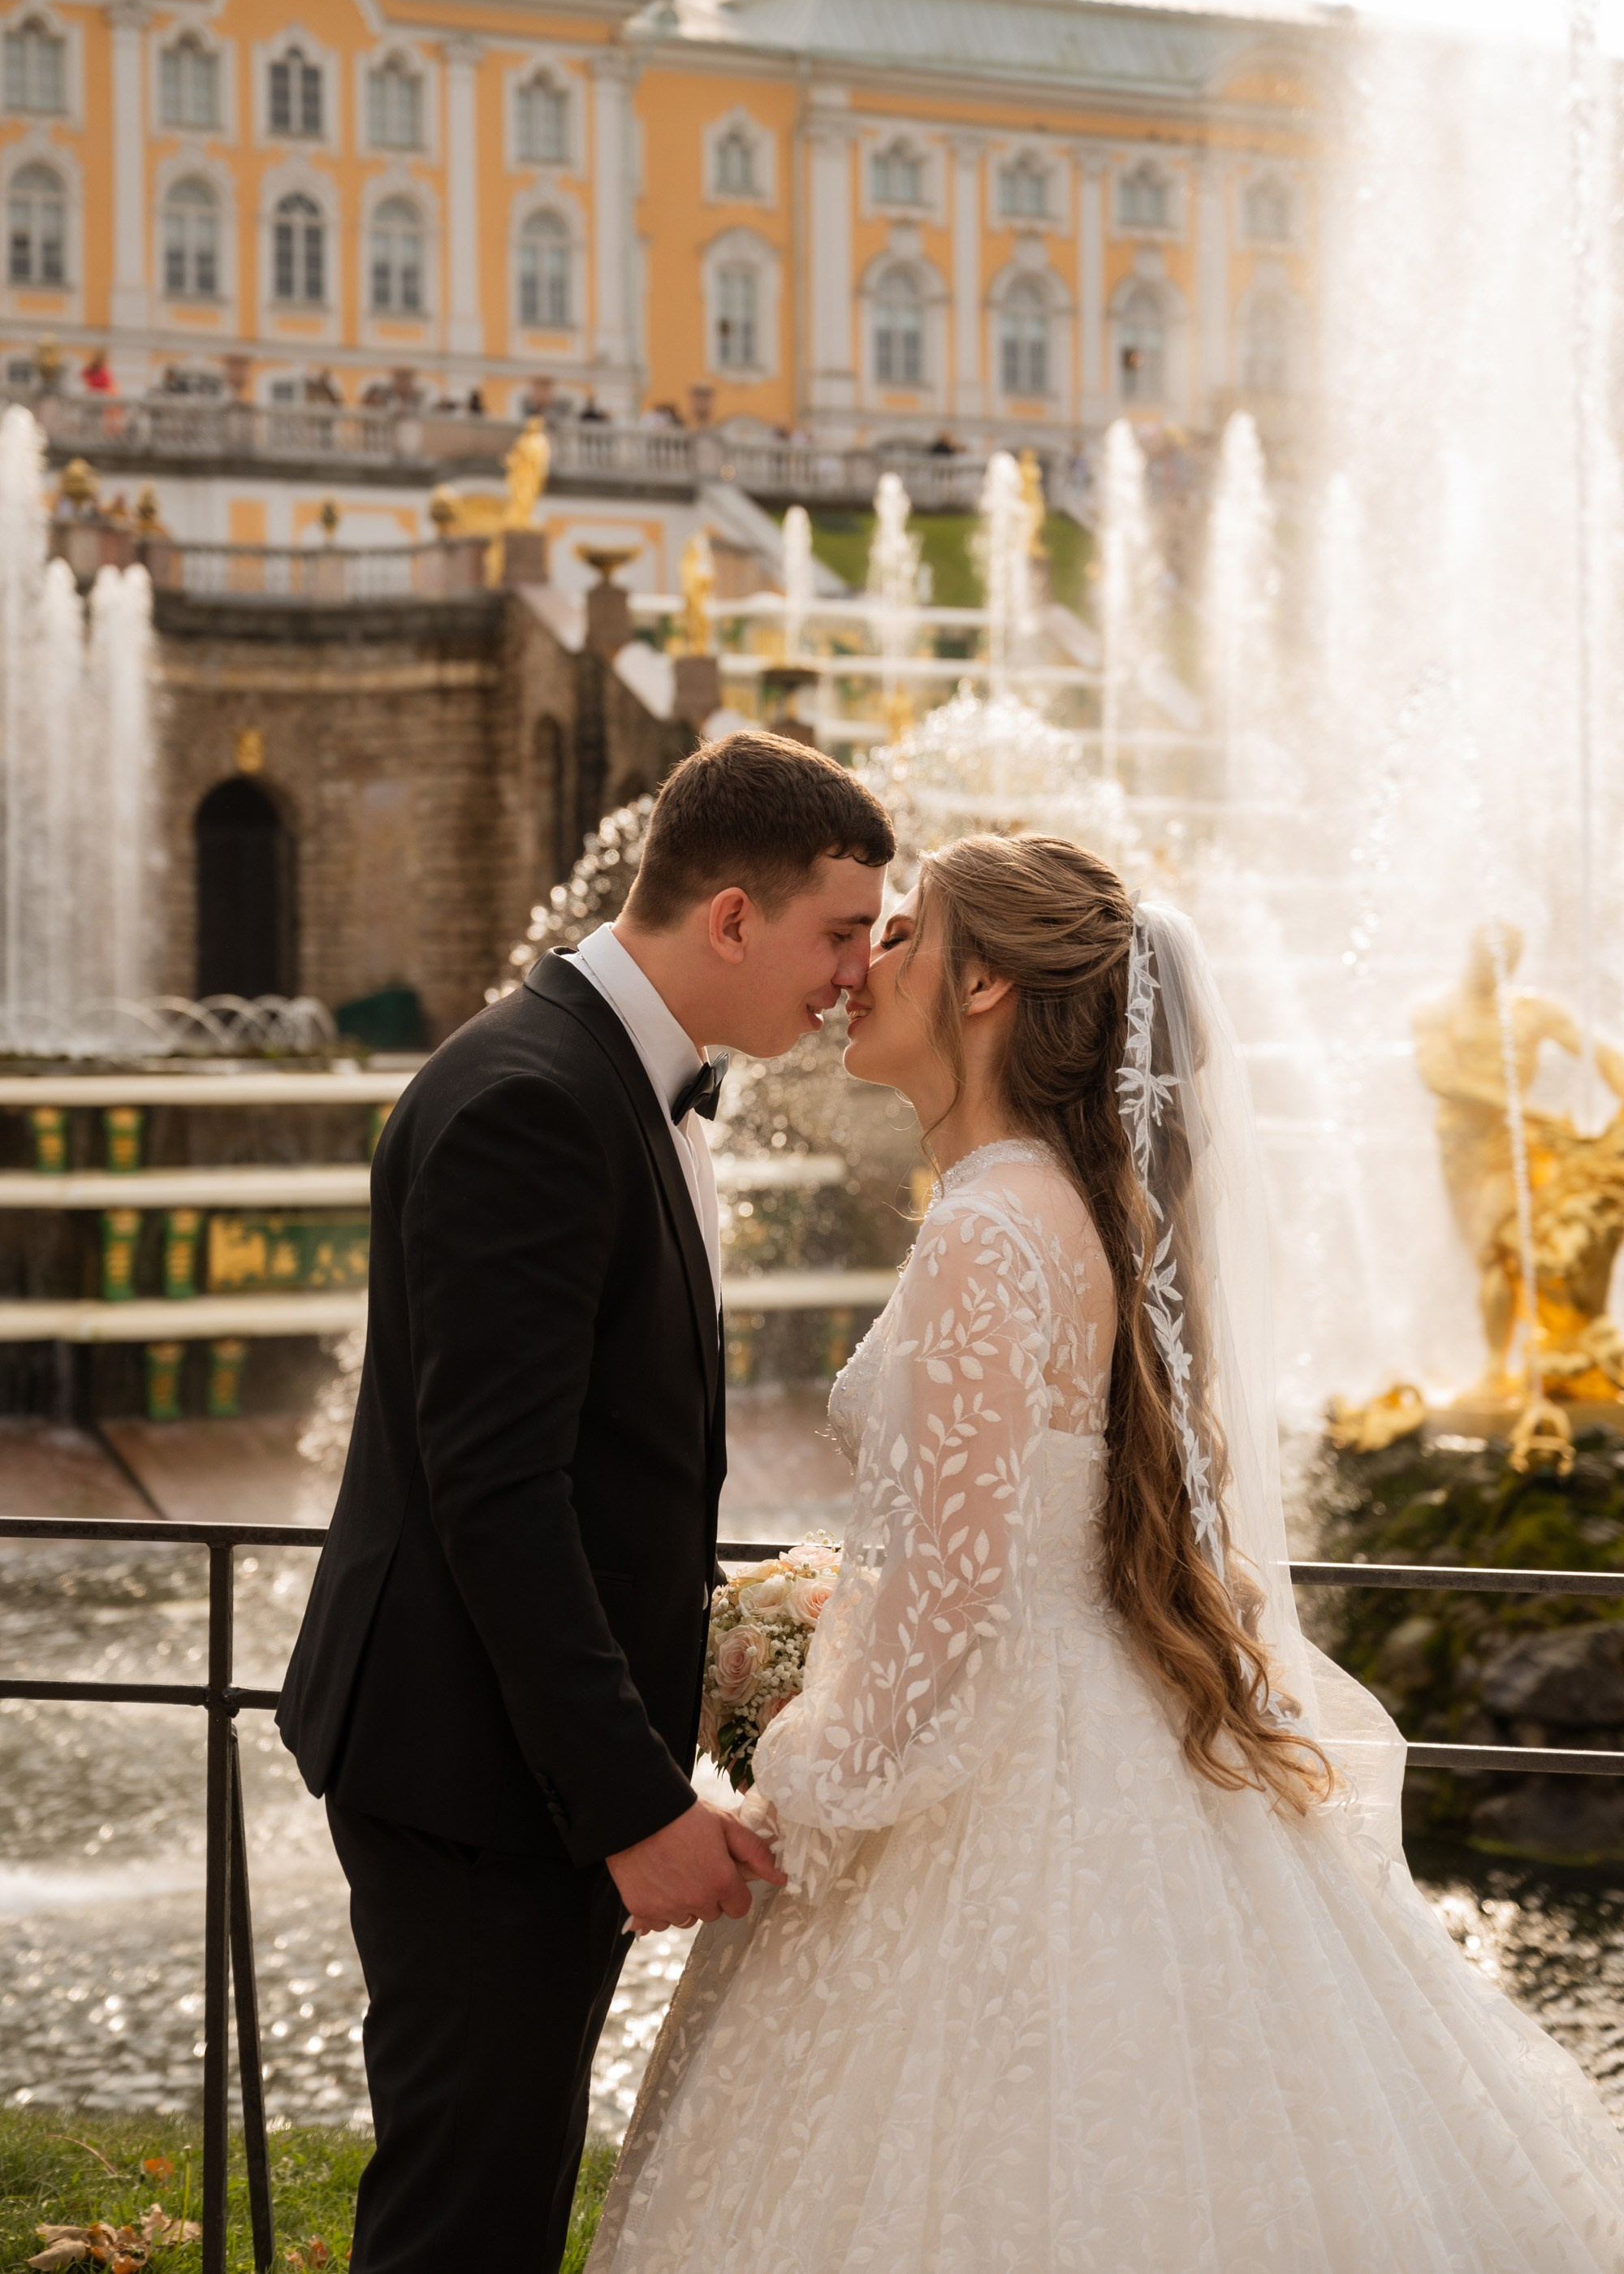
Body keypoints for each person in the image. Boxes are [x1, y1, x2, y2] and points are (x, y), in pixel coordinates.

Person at [590, 835, 1624, 2273]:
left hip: (996, 1784)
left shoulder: (987, 1234)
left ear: (990, 982)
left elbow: (949, 1609)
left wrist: (790, 1816)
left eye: (907, 936)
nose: (867, 963)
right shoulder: (1086, 1216)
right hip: (1110, 1734)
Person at [277, 732, 893, 2274]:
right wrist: (631, 1803)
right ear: (734, 916)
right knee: (463, 2213)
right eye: (837, 933)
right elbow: (496, 1494)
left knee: (497, 2186)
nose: (855, 975)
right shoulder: (534, 1100)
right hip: (479, 1777)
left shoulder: (606, 1075)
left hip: (509, 1764)